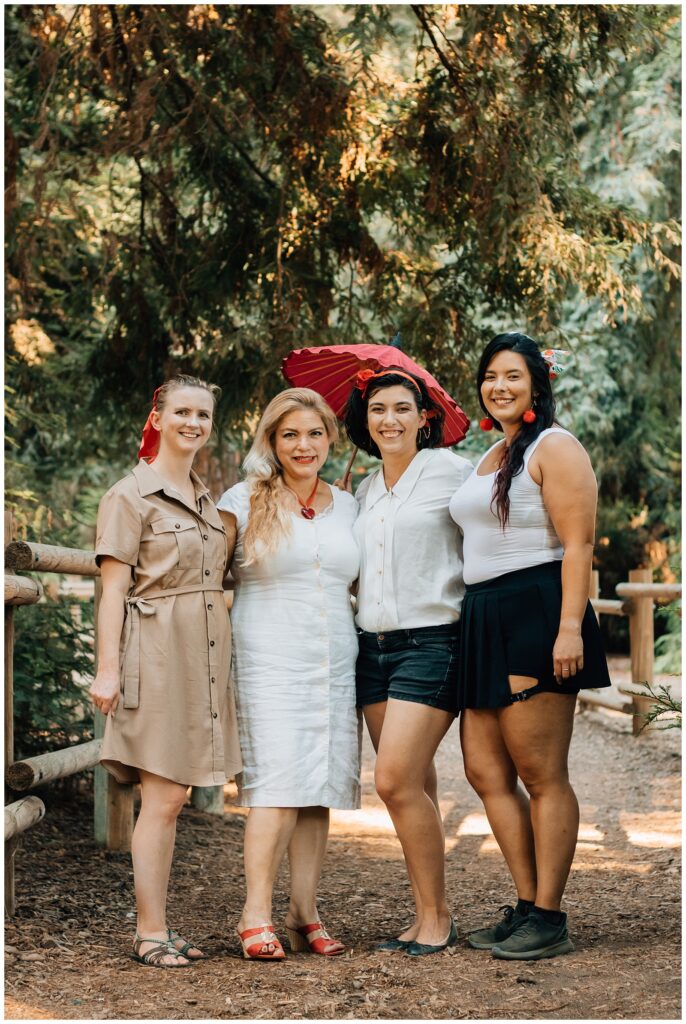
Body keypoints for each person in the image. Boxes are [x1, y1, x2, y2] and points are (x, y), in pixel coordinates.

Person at [449, 332, 611, 961]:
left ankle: (550, 914)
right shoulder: (493, 450)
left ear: (537, 384)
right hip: (482, 613)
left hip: (536, 609)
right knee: (484, 769)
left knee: (541, 773)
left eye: (513, 375)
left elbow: (578, 544)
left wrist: (569, 627)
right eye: (491, 376)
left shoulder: (556, 446)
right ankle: (525, 905)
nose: (500, 386)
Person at [89, 375, 242, 969]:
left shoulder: (210, 499)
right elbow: (112, 592)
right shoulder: (129, 495)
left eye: (203, 413)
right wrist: (107, 670)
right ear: (157, 417)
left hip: (202, 656)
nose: (193, 423)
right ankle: (150, 931)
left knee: (172, 798)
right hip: (153, 653)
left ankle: (159, 925)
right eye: (182, 411)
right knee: (163, 798)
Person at [217, 388, 360, 961]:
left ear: (330, 438)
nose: (304, 445)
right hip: (267, 654)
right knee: (276, 784)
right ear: (272, 443)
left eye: (315, 434)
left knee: (317, 786)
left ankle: (304, 911)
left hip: (333, 657)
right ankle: (255, 912)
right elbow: (208, 573)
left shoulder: (348, 503)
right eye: (290, 435)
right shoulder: (243, 499)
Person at [343, 367, 472, 956]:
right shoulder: (366, 490)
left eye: (401, 408)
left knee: (392, 779)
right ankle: (423, 911)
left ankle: (438, 916)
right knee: (414, 781)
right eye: (377, 410)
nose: (388, 419)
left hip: (432, 642)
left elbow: (496, 532)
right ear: (364, 421)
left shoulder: (450, 471)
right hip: (372, 648)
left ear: (425, 419)